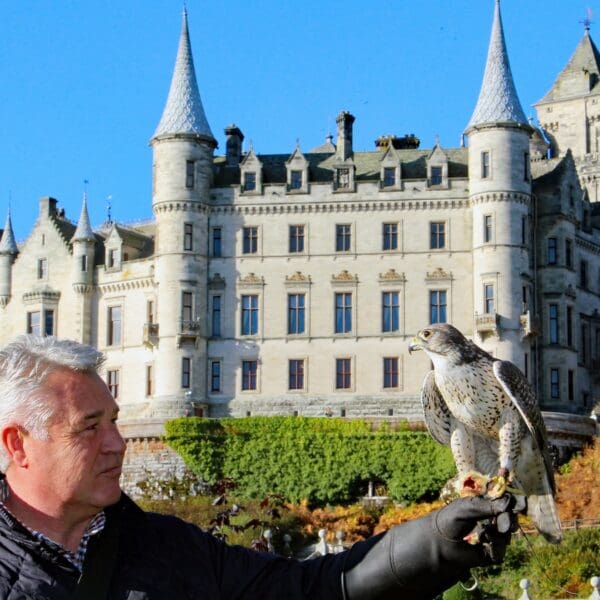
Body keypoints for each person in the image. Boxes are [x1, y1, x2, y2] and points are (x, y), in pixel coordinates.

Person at [0, 335, 520, 599]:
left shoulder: (169, 549)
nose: (118, 442)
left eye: (115, 420)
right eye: (90, 427)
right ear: (18, 445)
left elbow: (318, 591)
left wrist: (437, 543)